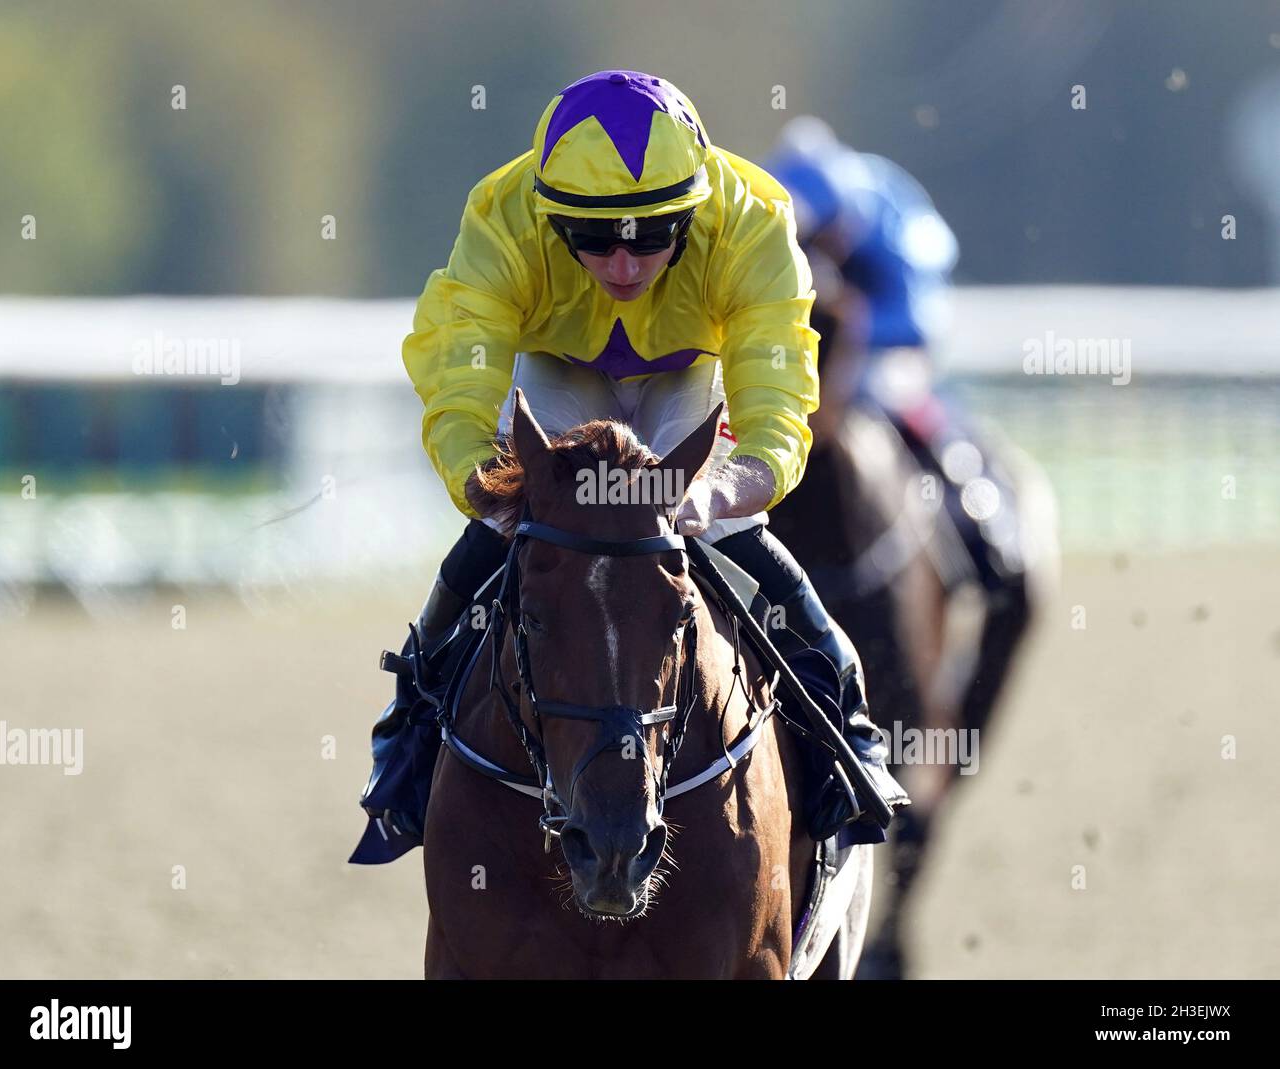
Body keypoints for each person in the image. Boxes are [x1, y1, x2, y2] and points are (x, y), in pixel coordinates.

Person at [357, 72, 906, 861]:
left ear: (694, 210)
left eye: (652, 236)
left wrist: (719, 490)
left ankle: (841, 723)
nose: (622, 264)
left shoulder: (751, 220)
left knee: (731, 529)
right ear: (551, 219)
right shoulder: (503, 218)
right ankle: (410, 729)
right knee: (509, 525)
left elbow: (777, 415)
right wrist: (496, 489)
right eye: (594, 238)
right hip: (557, 367)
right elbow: (458, 383)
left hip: (689, 374)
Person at [763, 115, 1035, 715]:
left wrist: (846, 331)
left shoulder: (892, 219)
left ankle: (984, 533)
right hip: (803, 370)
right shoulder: (768, 221)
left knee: (898, 408)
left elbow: (920, 319)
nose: (817, 256)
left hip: (887, 366)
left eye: (825, 242)